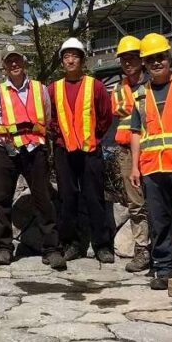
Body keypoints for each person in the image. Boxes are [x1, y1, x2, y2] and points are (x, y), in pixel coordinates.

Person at [0, 46, 65, 270]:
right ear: (4, 66)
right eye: (9, 61)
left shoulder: (40, 89)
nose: (14, 65)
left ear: (24, 62)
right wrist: (7, 138)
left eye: (17, 60)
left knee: (43, 199)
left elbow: (47, 118)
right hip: (6, 150)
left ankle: (51, 248)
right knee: (1, 199)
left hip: (34, 150)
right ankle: (3, 247)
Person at [50, 37, 115, 264]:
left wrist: (95, 136)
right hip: (63, 150)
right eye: (66, 56)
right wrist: (59, 134)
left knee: (94, 197)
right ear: (61, 62)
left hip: (90, 150)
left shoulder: (95, 85)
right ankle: (71, 243)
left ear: (82, 60)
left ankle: (102, 245)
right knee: (67, 197)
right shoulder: (54, 89)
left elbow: (106, 115)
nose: (70, 60)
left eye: (75, 56)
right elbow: (48, 117)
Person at [129, 33, 172, 291]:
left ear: (169, 58)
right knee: (159, 220)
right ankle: (164, 267)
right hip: (152, 166)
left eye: (161, 57)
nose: (157, 63)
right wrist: (135, 167)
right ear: (145, 64)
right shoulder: (140, 94)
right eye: (151, 60)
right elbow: (136, 133)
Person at [111, 35, 151, 273]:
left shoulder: (152, 84)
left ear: (142, 59)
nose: (128, 62)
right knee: (136, 203)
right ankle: (142, 249)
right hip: (127, 151)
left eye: (132, 57)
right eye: (124, 59)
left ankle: (166, 248)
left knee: (160, 201)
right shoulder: (119, 88)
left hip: (153, 148)